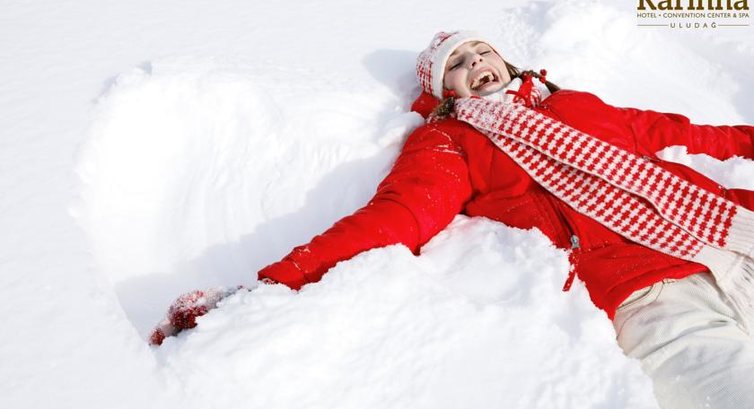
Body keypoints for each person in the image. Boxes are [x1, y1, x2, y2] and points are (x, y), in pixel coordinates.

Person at [151, 31, 754, 408]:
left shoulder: (576, 104)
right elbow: (398, 219)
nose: (476, 61)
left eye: (481, 50)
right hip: (650, 295)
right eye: (457, 63)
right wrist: (273, 284)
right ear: (445, 91)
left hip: (733, 233)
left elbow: (682, 133)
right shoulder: (451, 141)